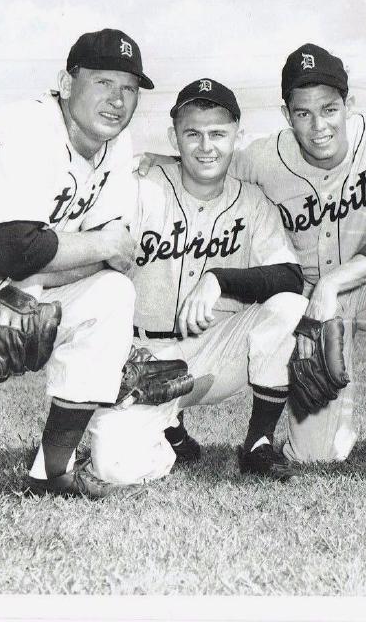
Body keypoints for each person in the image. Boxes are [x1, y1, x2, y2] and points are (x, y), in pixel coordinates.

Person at [228, 45, 366, 491]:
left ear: (349, 104)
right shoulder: (261, 158)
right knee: (317, 455)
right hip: (309, 305)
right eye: (303, 113)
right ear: (286, 115)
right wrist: (163, 163)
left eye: (330, 109)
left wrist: (331, 286)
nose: (319, 125)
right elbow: (208, 170)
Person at [85, 78, 311, 486]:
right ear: (174, 138)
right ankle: (169, 432)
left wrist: (218, 279)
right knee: (114, 469)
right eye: (193, 134)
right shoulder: (140, 187)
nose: (206, 146)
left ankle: (258, 443)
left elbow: (290, 276)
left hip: (213, 355)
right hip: (139, 362)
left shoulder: (252, 201)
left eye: (218, 134)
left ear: (238, 136)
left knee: (290, 307)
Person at [0, 28, 151, 498]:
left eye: (129, 88)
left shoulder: (117, 145)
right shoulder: (24, 126)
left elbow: (113, 259)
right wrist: (99, 244)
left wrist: (30, 284)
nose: (118, 100)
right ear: (67, 82)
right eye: (103, 82)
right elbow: (7, 249)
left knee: (112, 295)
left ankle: (52, 472)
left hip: (12, 289)